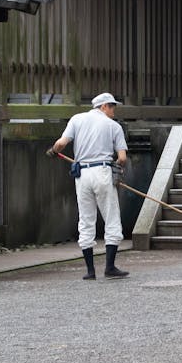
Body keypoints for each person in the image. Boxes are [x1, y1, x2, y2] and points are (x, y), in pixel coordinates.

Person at [47, 92, 129, 280]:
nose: (114, 111)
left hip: (82, 174)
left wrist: (53, 151)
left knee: (86, 219)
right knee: (111, 218)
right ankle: (109, 267)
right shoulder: (113, 126)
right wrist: (118, 168)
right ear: (103, 107)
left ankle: (90, 271)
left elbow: (60, 144)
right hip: (102, 172)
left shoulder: (77, 120)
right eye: (112, 106)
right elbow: (122, 158)